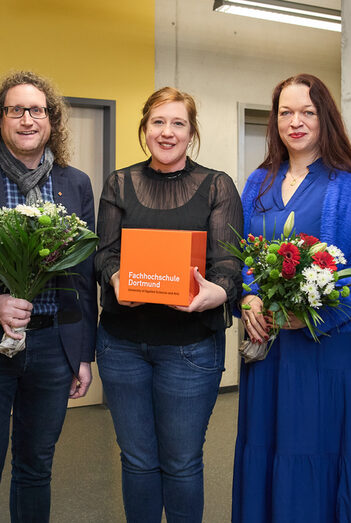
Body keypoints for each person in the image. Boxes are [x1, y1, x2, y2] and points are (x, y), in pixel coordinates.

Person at [0, 70, 97, 523]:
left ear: (52, 120)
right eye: (16, 110)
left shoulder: (75, 183)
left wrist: (82, 355)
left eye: (37, 110)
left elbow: (84, 277)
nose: (28, 119)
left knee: (36, 469)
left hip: (53, 348)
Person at [232, 74, 351, 522]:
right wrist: (249, 298)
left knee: (316, 451)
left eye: (307, 112)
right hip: (266, 347)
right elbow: (240, 254)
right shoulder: (258, 182)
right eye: (286, 112)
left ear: (325, 118)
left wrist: (315, 316)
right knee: (265, 446)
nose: (295, 122)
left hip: (322, 350)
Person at [94, 86, 242, 523]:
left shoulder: (217, 185)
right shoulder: (119, 183)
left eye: (178, 123)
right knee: (137, 460)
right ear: (145, 128)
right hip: (122, 345)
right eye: (158, 121)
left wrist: (218, 292)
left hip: (191, 348)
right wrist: (116, 278)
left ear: (191, 132)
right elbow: (103, 253)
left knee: (181, 462)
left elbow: (229, 263)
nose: (167, 132)